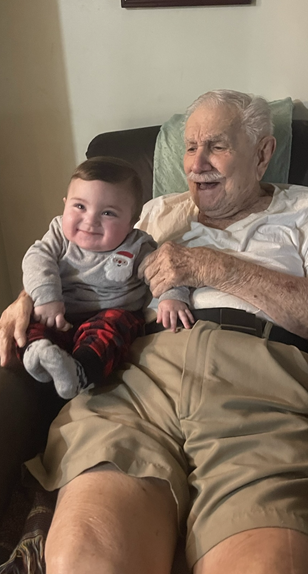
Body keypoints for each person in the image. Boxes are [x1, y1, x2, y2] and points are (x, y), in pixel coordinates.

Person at [0, 90, 308, 574]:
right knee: (85, 556)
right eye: (189, 147)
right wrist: (26, 300)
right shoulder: (158, 212)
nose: (196, 164)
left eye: (216, 146)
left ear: (262, 153)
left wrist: (214, 267)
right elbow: (86, 265)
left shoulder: (306, 209)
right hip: (139, 382)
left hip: (268, 389)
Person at [18, 156, 193, 399]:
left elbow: (164, 271)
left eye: (108, 213)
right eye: (79, 206)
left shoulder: (137, 246)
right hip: (60, 315)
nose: (90, 220)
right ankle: (39, 354)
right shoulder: (59, 234)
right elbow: (36, 258)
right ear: (65, 204)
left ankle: (79, 372)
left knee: (114, 327)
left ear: (132, 222)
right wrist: (46, 298)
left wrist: (172, 298)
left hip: (109, 315)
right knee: (27, 324)